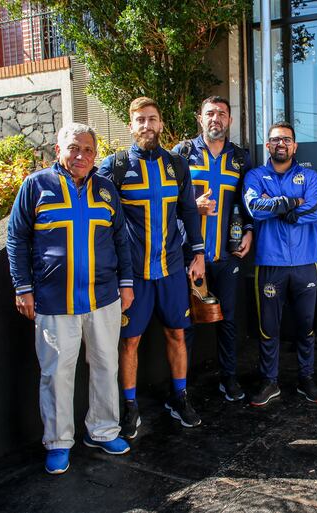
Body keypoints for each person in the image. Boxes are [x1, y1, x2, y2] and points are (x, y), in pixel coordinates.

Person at [7, 122, 133, 474]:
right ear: (58, 150)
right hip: (53, 300)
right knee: (57, 373)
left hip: (104, 297)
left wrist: (127, 283)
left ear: (96, 155)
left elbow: (121, 239)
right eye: (74, 148)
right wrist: (23, 287)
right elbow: (16, 239)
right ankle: (59, 441)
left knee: (106, 366)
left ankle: (104, 430)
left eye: (88, 150)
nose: (81, 155)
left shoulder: (106, 189)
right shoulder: (36, 186)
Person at [98, 97, 205, 432]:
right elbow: (102, 220)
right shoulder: (113, 166)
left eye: (152, 119)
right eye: (140, 120)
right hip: (133, 275)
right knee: (129, 341)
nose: (147, 125)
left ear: (161, 124)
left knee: (177, 333)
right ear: (130, 125)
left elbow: (188, 211)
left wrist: (198, 254)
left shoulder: (176, 163)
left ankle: (180, 397)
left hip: (172, 269)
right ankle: (129, 406)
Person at [173, 96, 254, 402]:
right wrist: (193, 207)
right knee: (186, 322)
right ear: (199, 118)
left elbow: (247, 204)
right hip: (189, 256)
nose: (215, 118)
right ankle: (182, 388)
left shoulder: (241, 158)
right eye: (210, 113)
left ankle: (229, 378)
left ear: (230, 120)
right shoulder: (182, 154)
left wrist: (248, 232)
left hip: (226, 255)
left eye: (222, 113)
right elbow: (166, 204)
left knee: (229, 321)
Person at [242, 121, 317, 406]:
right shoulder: (255, 176)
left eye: (287, 140)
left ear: (294, 145)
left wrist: (279, 206)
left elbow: (315, 210)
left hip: (305, 263)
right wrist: (292, 202)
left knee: (306, 325)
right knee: (269, 327)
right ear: (268, 145)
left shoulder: (310, 177)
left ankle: (306, 378)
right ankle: (270, 381)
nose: (281, 144)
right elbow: (255, 208)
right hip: (270, 263)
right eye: (276, 139)